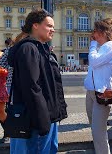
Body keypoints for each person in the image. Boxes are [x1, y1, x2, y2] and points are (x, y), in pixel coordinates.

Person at [7, 9, 67, 154]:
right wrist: (42, 119)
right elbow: (31, 87)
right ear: (35, 25)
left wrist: (59, 110)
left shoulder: (42, 48)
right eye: (49, 26)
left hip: (48, 115)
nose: (53, 29)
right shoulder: (29, 49)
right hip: (36, 119)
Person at [84, 18, 112, 154]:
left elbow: (93, 62)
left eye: (96, 32)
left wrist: (92, 44)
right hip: (92, 92)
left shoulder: (111, 46)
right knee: (95, 128)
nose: (94, 35)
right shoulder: (102, 47)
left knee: (99, 131)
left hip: (102, 93)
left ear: (103, 32)